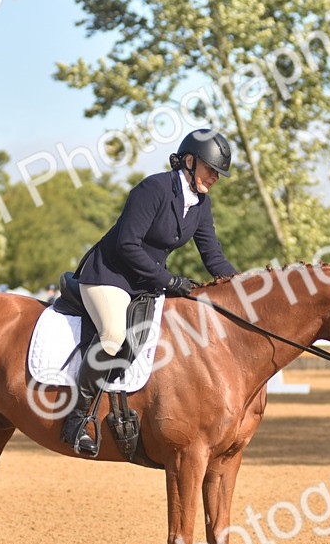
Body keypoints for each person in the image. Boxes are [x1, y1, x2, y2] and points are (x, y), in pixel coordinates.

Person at [61, 129, 239, 456]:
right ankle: (77, 417)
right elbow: (127, 244)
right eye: (211, 169)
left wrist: (241, 287)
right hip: (108, 277)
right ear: (189, 161)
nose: (215, 177)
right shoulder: (153, 189)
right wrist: (168, 280)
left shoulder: (200, 203)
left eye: (218, 173)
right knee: (113, 335)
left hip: (146, 284)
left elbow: (212, 256)